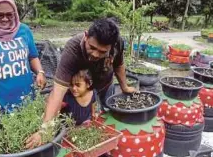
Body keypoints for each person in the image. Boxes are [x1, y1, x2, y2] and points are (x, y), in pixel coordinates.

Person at [25, 18, 136, 148]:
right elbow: (57, 92)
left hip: (105, 84)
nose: (95, 54)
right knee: (78, 118)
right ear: (86, 35)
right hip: (82, 87)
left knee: (106, 116)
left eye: (102, 52)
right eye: (92, 47)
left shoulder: (117, 43)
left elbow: (118, 64)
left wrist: (124, 87)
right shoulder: (72, 50)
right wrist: (44, 129)